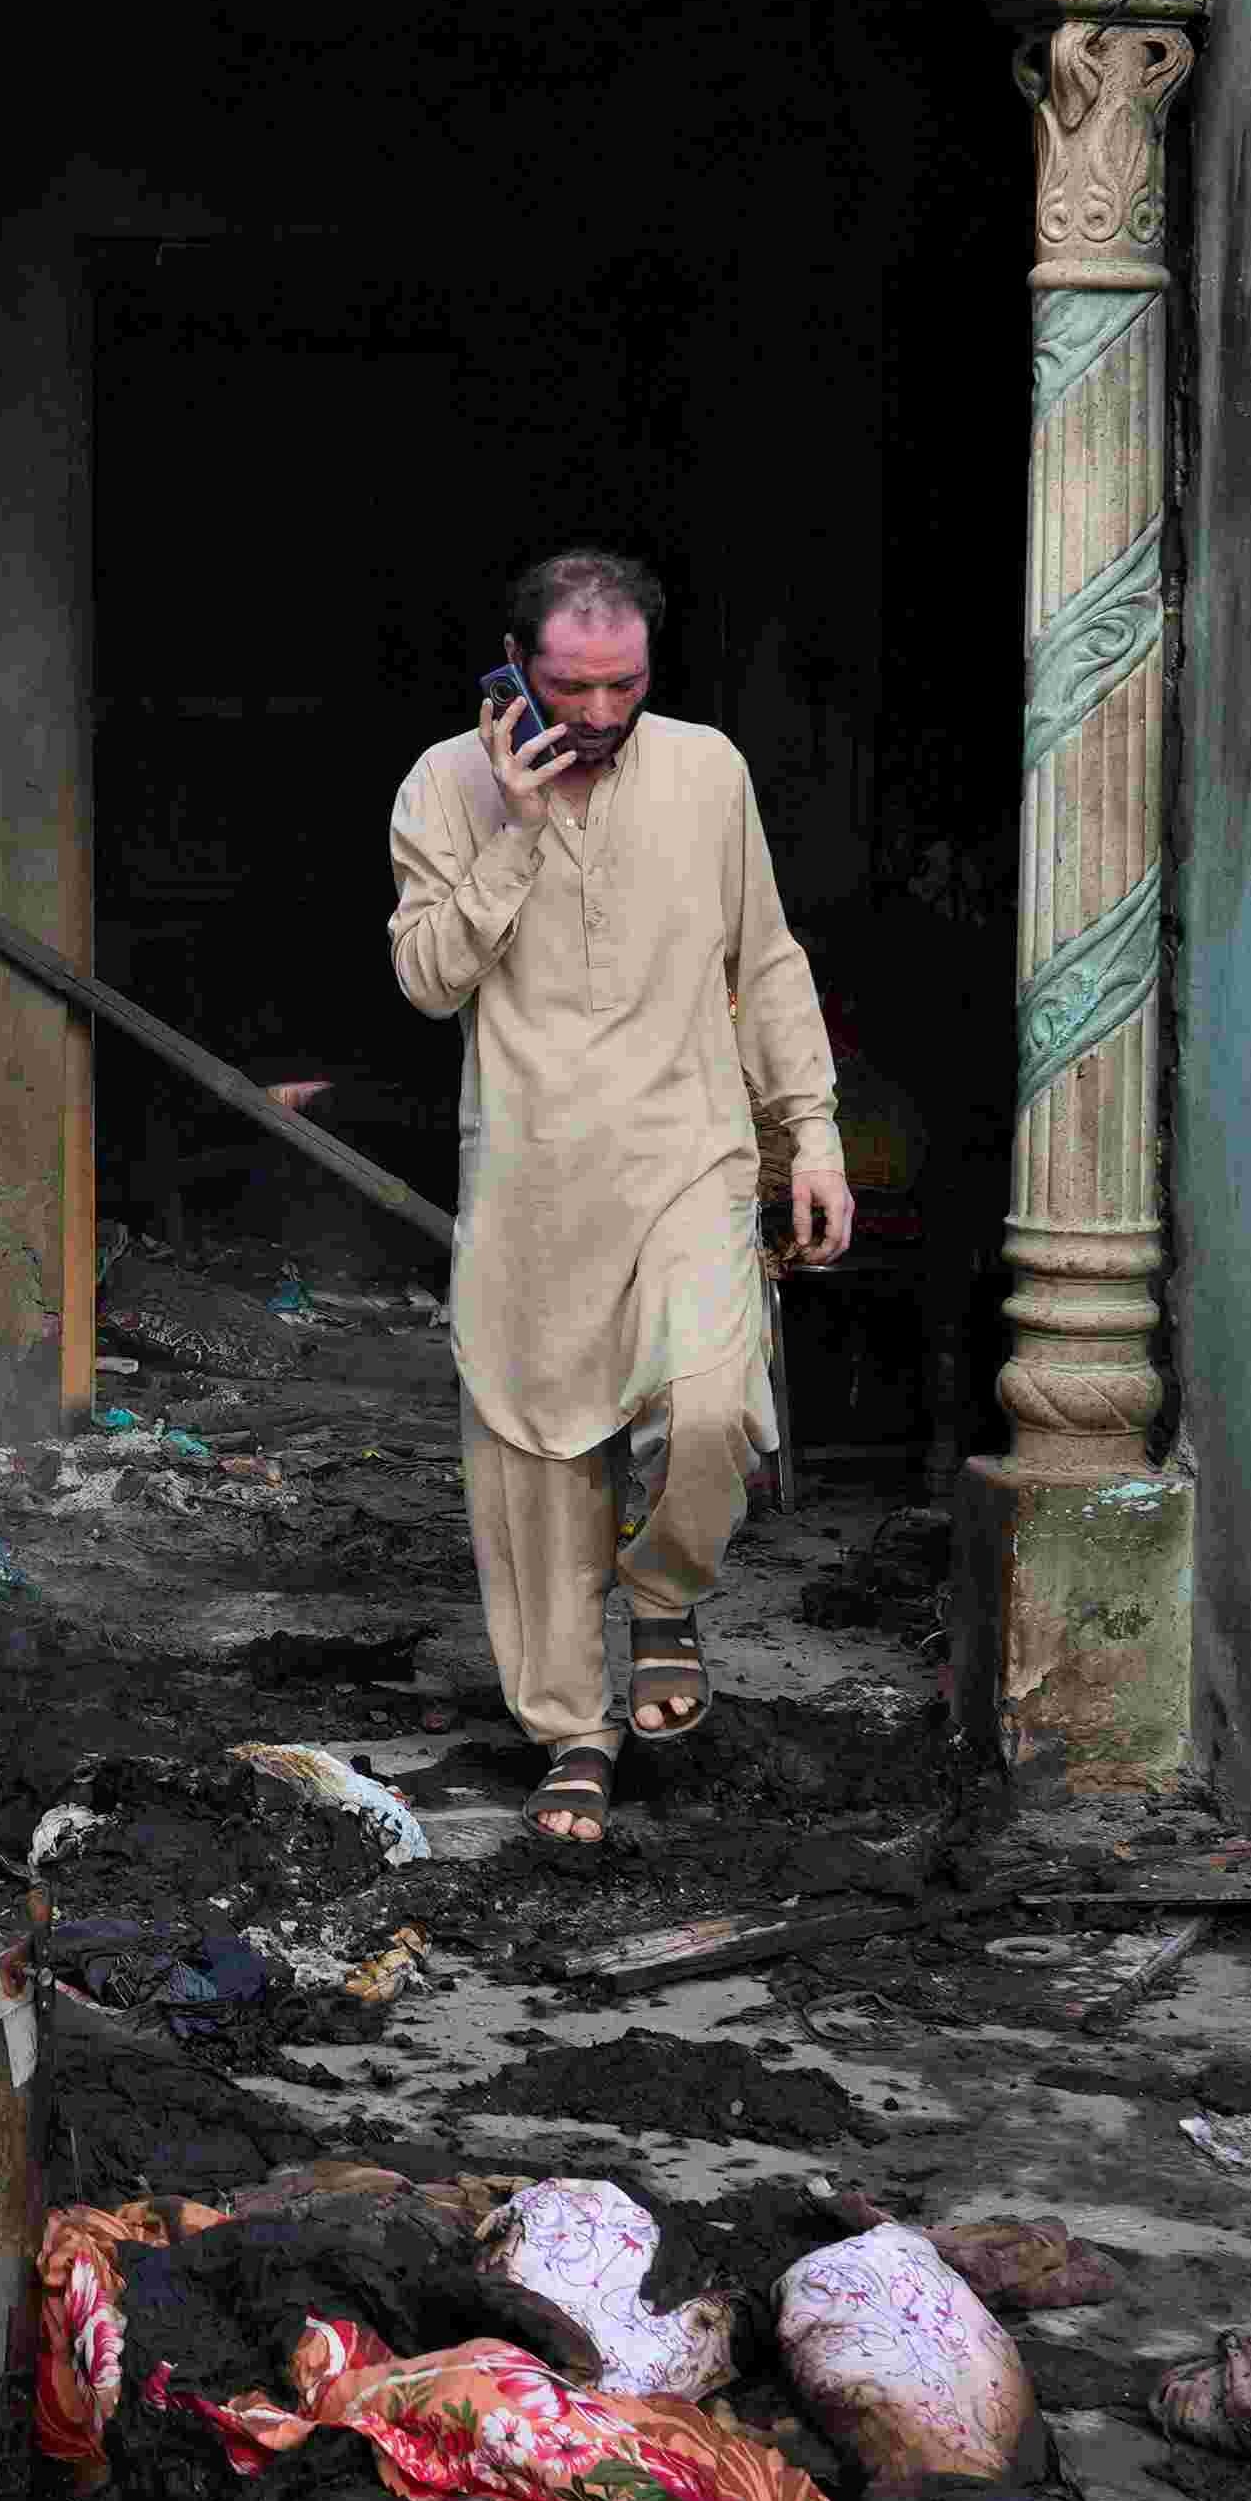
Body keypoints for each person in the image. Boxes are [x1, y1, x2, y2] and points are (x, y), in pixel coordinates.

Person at [382, 545, 849, 1849]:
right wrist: (516, 838)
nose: (594, 715)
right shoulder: (444, 783)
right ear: (517, 670)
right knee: (535, 1475)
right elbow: (424, 976)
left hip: (689, 1160)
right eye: (569, 686)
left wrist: (806, 1134)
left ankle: (661, 1594)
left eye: (620, 685)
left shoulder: (705, 771)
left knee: (710, 1408)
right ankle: (572, 1734)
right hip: (532, 1181)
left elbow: (761, 958)